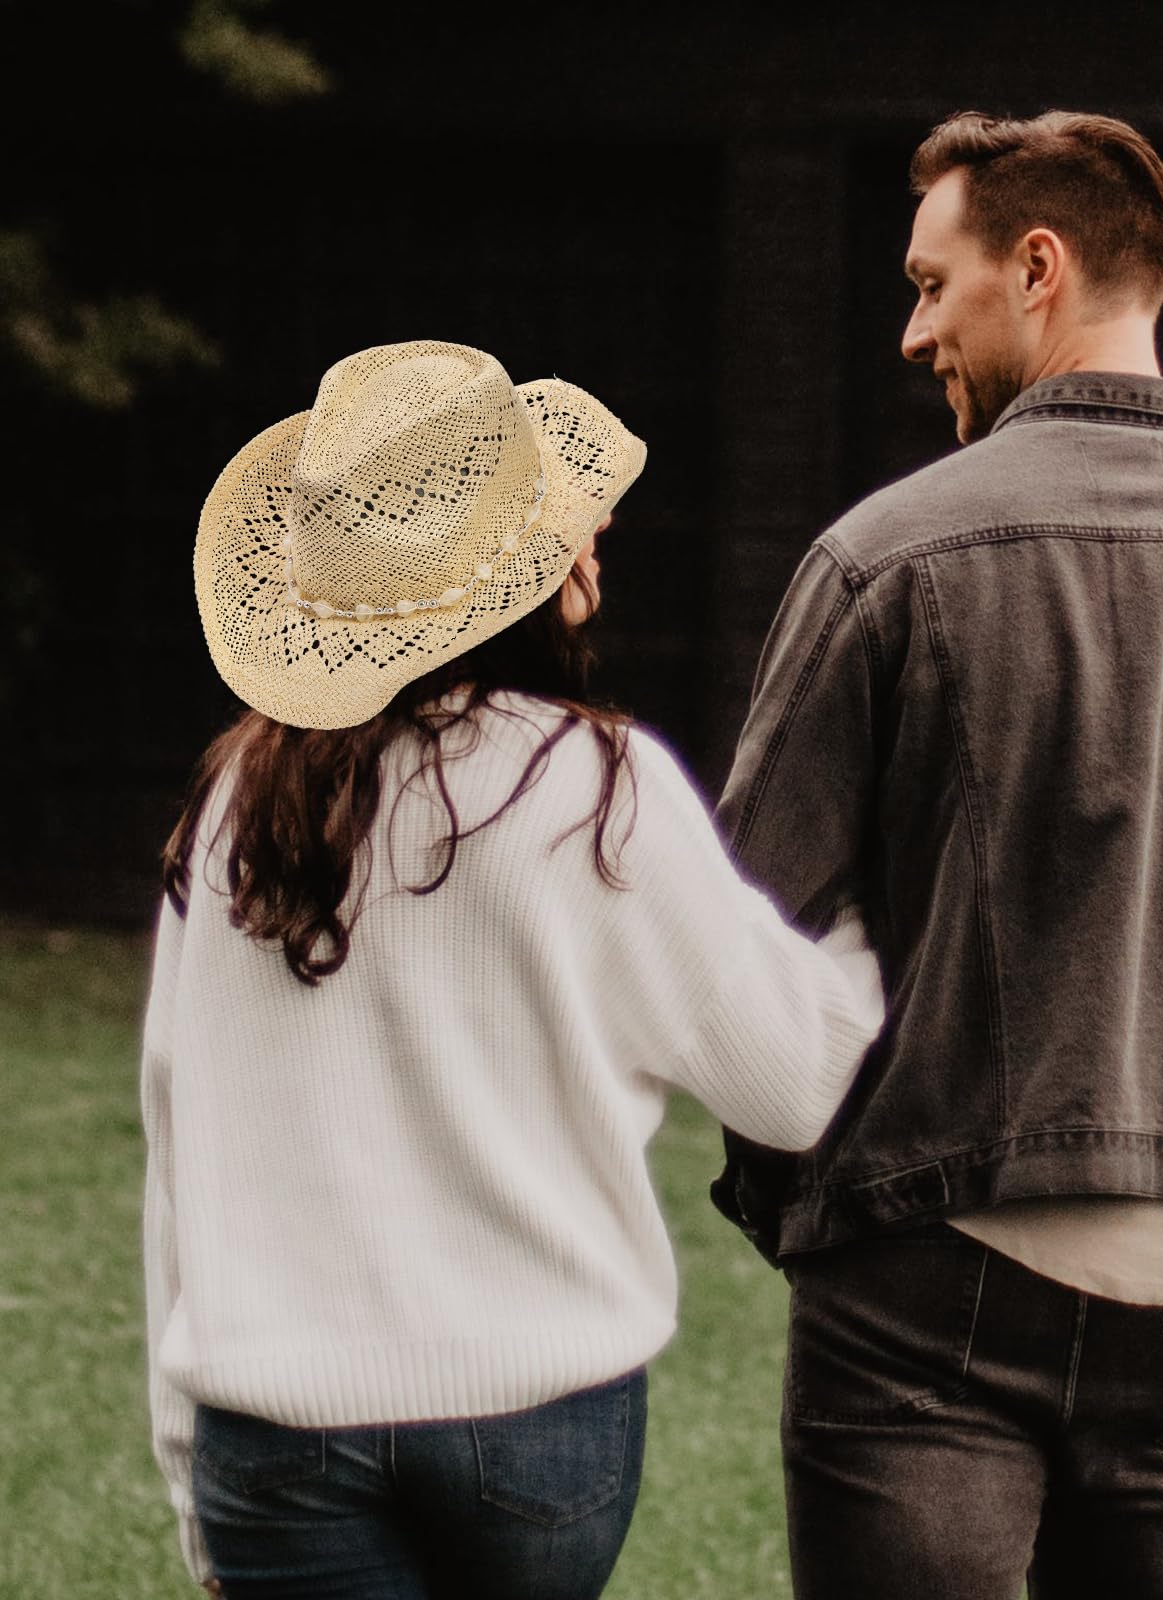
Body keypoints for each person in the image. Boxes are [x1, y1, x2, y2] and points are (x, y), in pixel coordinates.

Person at [711, 111, 1163, 1600]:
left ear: (1037, 268)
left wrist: (813, 1197)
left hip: (921, 1269)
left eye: (934, 284)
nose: (914, 330)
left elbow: (742, 935)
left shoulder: (881, 560)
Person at [141, 339, 884, 1599]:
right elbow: (795, 1083)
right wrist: (872, 911)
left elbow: (178, 1135)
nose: (591, 533)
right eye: (552, 525)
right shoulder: (600, 789)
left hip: (272, 1426)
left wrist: (186, 1463)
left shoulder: (235, 807)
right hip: (538, 1424)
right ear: (515, 584)